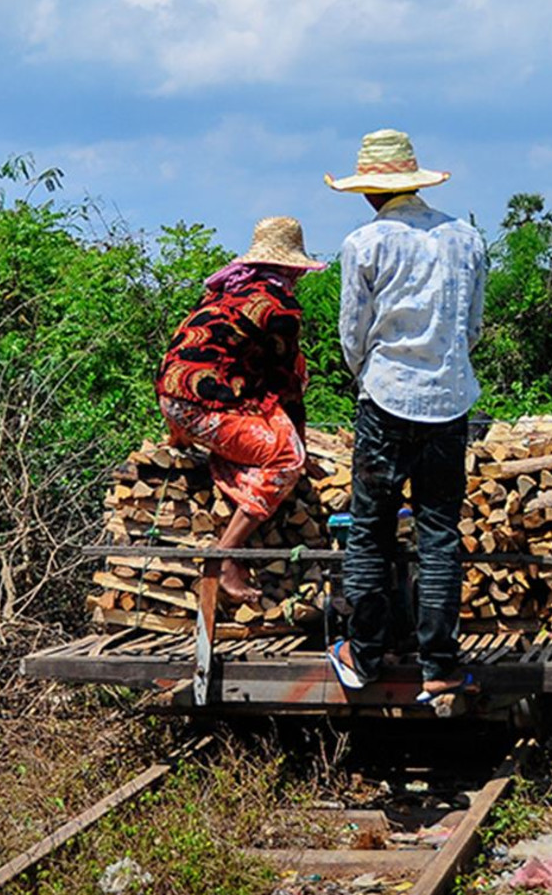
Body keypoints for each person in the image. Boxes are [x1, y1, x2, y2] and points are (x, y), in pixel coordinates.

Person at [323, 129, 487, 703]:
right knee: (440, 532)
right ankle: (440, 664)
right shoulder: (465, 238)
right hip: (450, 400)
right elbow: (473, 327)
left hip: (386, 398)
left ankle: (363, 654)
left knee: (371, 531)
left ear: (369, 191)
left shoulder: (364, 243)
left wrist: (369, 376)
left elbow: (353, 333)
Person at [156, 216, 323, 607]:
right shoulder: (278, 307)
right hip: (203, 407)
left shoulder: (225, 291)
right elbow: (287, 385)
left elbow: (189, 358)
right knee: (285, 459)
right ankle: (226, 555)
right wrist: (301, 447)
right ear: (291, 268)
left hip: (172, 400)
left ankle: (199, 445)